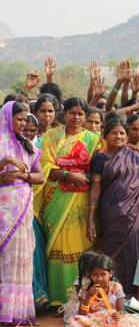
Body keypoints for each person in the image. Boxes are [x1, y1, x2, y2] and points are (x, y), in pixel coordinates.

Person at [33, 97, 104, 305]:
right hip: (55, 200)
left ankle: (83, 297)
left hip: (82, 202)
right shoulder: (52, 137)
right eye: (72, 113)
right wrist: (68, 175)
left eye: (81, 114)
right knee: (57, 246)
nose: (77, 117)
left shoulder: (93, 140)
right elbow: (45, 167)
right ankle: (58, 297)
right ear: (64, 114)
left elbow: (97, 174)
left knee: (82, 245)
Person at [86, 118, 139, 294]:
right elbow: (95, 189)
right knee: (112, 252)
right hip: (112, 214)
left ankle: (138, 294)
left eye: (122, 133)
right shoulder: (99, 160)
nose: (118, 136)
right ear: (106, 136)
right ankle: (114, 294)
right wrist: (90, 219)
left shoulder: (135, 155)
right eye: (114, 133)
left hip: (138, 211)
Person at [0, 101, 45, 327]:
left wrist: (20, 176)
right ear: (8, 118)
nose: (23, 123)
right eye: (19, 119)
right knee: (4, 259)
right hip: (3, 212)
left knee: (20, 259)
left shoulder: (28, 145)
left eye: (25, 119)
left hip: (22, 210)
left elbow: (40, 177)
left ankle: (17, 312)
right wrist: (6, 161)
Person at [63, 253, 139, 327]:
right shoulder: (85, 289)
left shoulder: (116, 287)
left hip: (110, 319)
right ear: (90, 275)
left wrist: (118, 315)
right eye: (95, 274)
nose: (99, 278)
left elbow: (121, 310)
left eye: (103, 274)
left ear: (110, 274)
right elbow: (82, 314)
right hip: (92, 320)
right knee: (74, 321)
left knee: (128, 321)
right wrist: (89, 295)